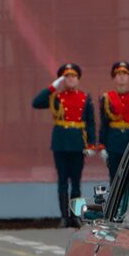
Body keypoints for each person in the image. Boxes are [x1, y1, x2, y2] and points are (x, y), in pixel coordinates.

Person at [31, 63, 95, 228]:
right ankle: (64, 217)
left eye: (73, 76)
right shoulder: (57, 98)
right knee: (62, 182)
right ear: (62, 79)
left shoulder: (85, 97)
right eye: (66, 76)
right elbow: (36, 103)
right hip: (60, 143)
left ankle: (76, 216)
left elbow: (90, 123)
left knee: (76, 182)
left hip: (78, 143)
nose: (70, 79)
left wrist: (91, 144)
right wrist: (52, 87)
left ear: (78, 79)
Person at [99, 61, 129, 184]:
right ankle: (115, 204)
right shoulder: (107, 98)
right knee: (114, 179)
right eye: (118, 74)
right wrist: (102, 146)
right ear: (114, 77)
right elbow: (104, 124)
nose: (121, 77)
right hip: (113, 143)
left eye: (125, 74)